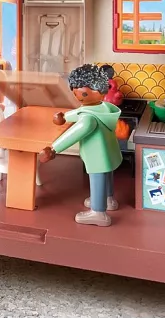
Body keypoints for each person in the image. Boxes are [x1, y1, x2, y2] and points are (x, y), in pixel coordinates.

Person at [39, 64, 123, 227]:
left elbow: (75, 132)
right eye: (75, 93)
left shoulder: (88, 119)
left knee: (97, 178)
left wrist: (54, 149)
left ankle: (98, 212)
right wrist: (65, 117)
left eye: (83, 94)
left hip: (96, 155)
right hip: (109, 151)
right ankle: (108, 199)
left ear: (100, 91)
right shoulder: (103, 107)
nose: (78, 97)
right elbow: (82, 111)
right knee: (107, 174)